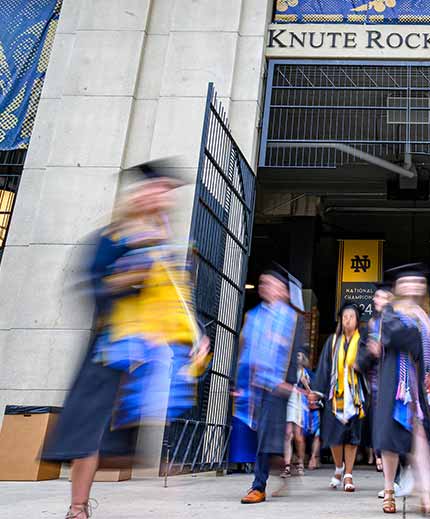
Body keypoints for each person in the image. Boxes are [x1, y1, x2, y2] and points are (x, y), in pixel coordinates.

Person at [42, 161, 210, 519]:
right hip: (112, 347)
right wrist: (131, 271)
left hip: (150, 352)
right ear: (139, 195)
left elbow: (177, 300)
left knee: (119, 438)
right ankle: (78, 507)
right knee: (90, 431)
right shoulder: (113, 238)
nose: (161, 197)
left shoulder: (164, 247)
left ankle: (145, 475)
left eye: (165, 192)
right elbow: (92, 286)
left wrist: (195, 335)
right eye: (155, 189)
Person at [360, 264, 430, 514]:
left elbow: (428, 351)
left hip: (419, 387)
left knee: (421, 438)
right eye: (408, 282)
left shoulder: (426, 316)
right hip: (394, 386)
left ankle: (426, 495)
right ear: (399, 287)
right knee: (391, 442)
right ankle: (389, 491)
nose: (414, 286)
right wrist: (415, 328)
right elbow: (396, 337)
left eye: (418, 282)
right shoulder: (391, 313)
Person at [235, 268, 307, 504]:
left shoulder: (292, 318)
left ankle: (258, 486)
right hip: (254, 385)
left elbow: (297, 353)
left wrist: (290, 384)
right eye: (263, 283)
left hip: (277, 386)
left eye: (271, 283)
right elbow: (244, 349)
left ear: (284, 291)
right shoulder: (254, 316)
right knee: (263, 436)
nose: (265, 287)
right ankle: (284, 470)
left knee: (267, 436)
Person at [310, 302, 367, 492]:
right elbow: (324, 368)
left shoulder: (362, 341)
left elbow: (369, 365)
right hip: (336, 395)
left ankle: (348, 474)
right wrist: (318, 392)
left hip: (356, 395)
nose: (347, 320)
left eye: (351, 316)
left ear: (357, 320)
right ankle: (338, 468)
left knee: (352, 436)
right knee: (335, 436)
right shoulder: (333, 342)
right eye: (344, 317)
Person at [360, 284, 394, 474]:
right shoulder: (372, 324)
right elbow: (364, 351)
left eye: (380, 297)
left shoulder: (396, 322)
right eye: (375, 297)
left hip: (393, 383)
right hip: (375, 385)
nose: (375, 300)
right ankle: (379, 455)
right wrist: (362, 359)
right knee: (377, 423)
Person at [284, 353, 313, 477]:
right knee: (287, 434)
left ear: (304, 359)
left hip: (299, 403)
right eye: (296, 355)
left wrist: (305, 383)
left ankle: (300, 462)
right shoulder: (287, 370)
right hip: (288, 401)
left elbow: (310, 393)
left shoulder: (305, 373)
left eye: (300, 356)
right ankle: (287, 466)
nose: (297, 357)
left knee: (298, 437)